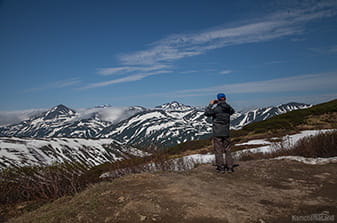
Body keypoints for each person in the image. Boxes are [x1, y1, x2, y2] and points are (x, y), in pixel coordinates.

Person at [205, 93, 235, 173]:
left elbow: (207, 113)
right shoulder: (228, 108)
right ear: (225, 98)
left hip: (217, 132)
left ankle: (221, 168)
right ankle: (230, 167)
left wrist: (210, 104)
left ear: (218, 99)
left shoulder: (216, 109)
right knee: (228, 150)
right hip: (226, 132)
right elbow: (232, 111)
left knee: (218, 150)